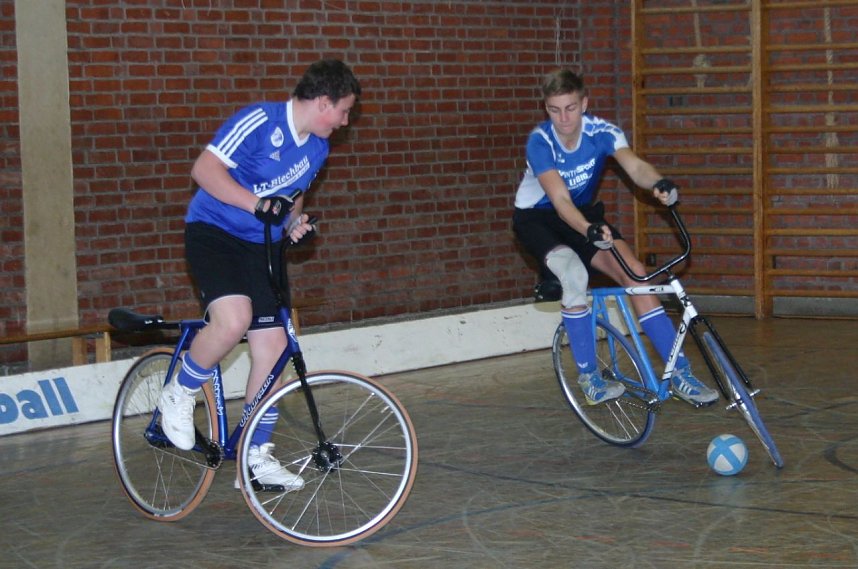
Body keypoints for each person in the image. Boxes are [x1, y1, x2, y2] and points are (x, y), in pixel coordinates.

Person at [158, 59, 361, 491]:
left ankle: (255, 455)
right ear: (323, 102)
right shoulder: (259, 121)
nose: (345, 122)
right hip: (214, 233)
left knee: (273, 347)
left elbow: (294, 196)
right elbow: (203, 170)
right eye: (343, 111)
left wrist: (294, 225)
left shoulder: (318, 148)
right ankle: (178, 392)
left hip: (260, 245)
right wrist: (254, 204)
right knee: (233, 321)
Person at [513, 69, 718, 406]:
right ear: (545, 109)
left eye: (571, 108)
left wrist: (658, 183)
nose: (564, 119)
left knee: (637, 274)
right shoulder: (540, 141)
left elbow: (635, 167)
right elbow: (560, 202)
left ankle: (678, 372)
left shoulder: (602, 132)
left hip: (580, 214)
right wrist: (588, 230)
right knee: (574, 275)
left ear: (584, 104)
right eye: (554, 110)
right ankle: (589, 376)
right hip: (539, 219)